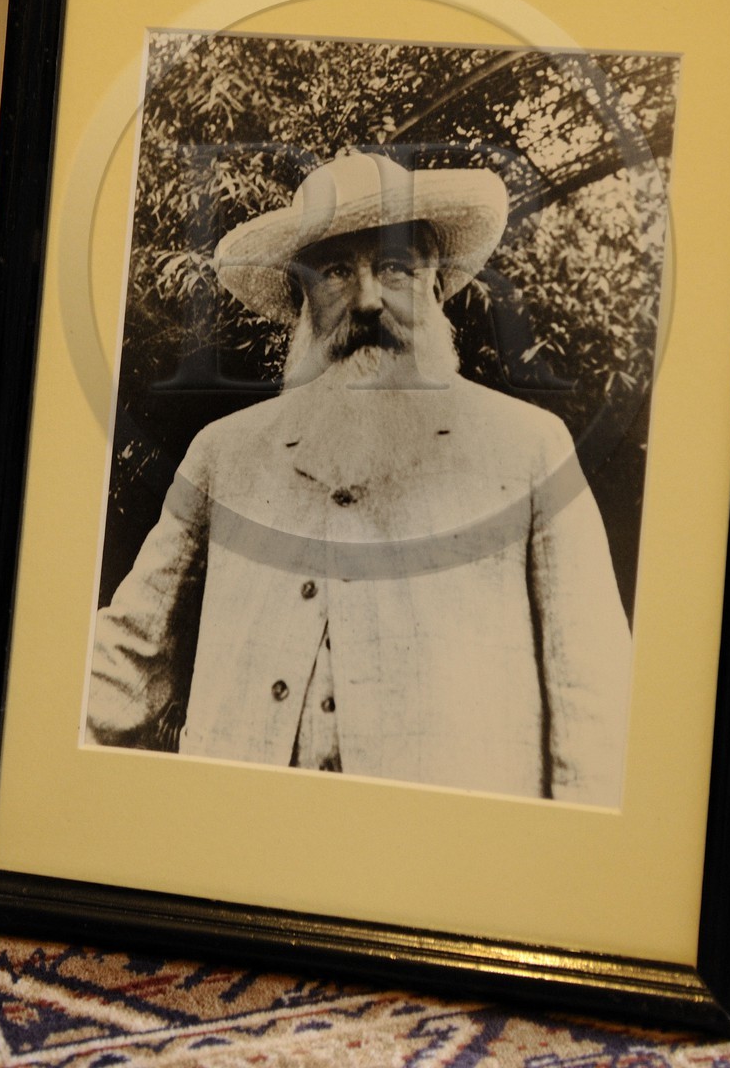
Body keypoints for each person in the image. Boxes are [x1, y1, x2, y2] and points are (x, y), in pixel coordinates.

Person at [87, 151, 632, 804]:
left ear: (436, 287)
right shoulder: (223, 453)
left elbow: (593, 691)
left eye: (396, 267)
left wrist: (573, 872)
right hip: (240, 835)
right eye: (337, 271)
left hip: (447, 854)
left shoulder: (526, 448)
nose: (368, 299)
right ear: (301, 300)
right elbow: (129, 651)